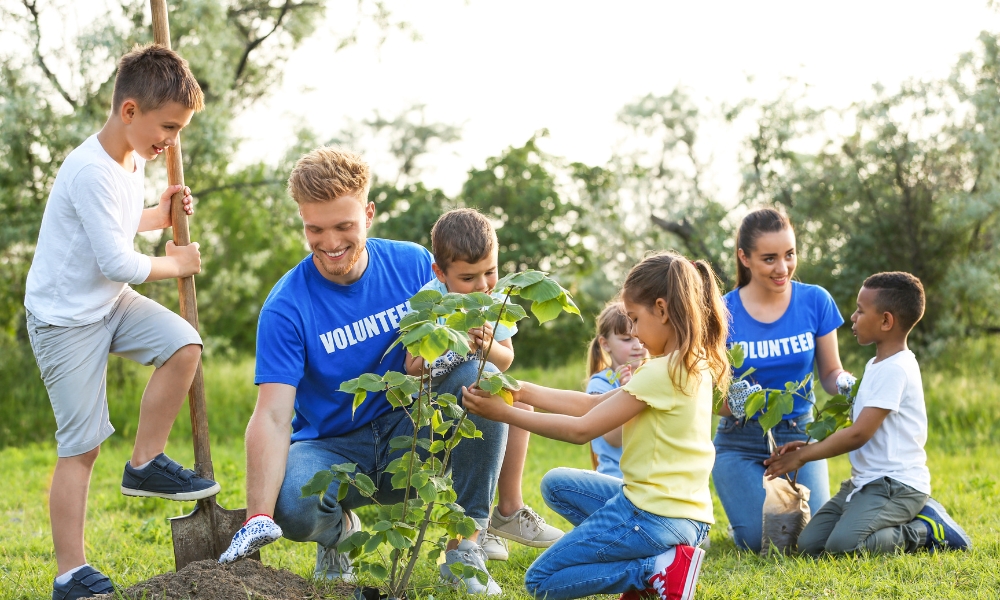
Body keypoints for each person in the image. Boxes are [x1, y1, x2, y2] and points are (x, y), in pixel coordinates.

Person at [218, 148, 508, 595]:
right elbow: (273, 416)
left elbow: (482, 342)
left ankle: (465, 546)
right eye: (315, 228)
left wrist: (466, 349)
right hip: (333, 448)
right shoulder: (286, 307)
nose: (330, 242)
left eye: (343, 226)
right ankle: (339, 535)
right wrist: (258, 515)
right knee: (291, 502)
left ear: (368, 214)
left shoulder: (414, 266)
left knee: (482, 378)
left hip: (411, 432)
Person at [23, 44, 216, 600]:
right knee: (80, 447)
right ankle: (70, 575)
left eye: (178, 129)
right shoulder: (88, 169)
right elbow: (117, 260)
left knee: (183, 345)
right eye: (168, 127)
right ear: (129, 111)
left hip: (107, 302)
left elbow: (126, 224)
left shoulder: (130, 159)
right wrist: (176, 261)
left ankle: (145, 462)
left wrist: (162, 213)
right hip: (64, 320)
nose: (171, 140)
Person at [464, 252, 729, 600]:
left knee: (541, 580)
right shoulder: (692, 363)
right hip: (687, 519)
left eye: (634, 319)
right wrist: (521, 390)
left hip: (651, 515)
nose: (633, 332)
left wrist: (506, 414)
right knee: (557, 485)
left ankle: (653, 570)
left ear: (662, 309)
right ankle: (657, 566)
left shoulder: (658, 372)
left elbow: (581, 430)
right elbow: (592, 404)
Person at [764, 272, 971, 554]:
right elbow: (861, 425)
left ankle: (924, 530)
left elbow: (859, 433)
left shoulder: (897, 368)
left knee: (843, 547)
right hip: (864, 483)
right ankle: (875, 517)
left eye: (860, 311)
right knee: (810, 544)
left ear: (886, 321)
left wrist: (802, 457)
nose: (852, 317)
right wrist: (808, 444)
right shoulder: (876, 364)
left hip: (896, 485)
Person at [407, 209, 564, 562]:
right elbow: (412, 366)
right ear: (440, 273)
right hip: (434, 408)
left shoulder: (494, 302)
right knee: (490, 387)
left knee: (518, 403)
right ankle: (468, 535)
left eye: (490, 272)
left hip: (478, 394)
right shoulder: (429, 302)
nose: (482, 285)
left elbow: (505, 359)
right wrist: (453, 338)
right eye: (468, 277)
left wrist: (488, 345)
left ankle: (505, 513)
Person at [712, 208, 853, 552]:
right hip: (740, 441)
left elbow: (831, 374)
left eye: (789, 255)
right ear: (744, 257)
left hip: (801, 439)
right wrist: (737, 400)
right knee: (758, 541)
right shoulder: (721, 312)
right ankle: (743, 517)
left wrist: (851, 385)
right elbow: (714, 399)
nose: (783, 268)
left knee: (808, 539)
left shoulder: (815, 301)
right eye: (770, 258)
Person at [585, 301, 647, 479]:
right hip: (615, 481)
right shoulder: (599, 385)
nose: (637, 345)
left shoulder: (651, 375)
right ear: (605, 344)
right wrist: (627, 390)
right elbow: (614, 439)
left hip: (647, 482)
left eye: (640, 336)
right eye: (627, 339)